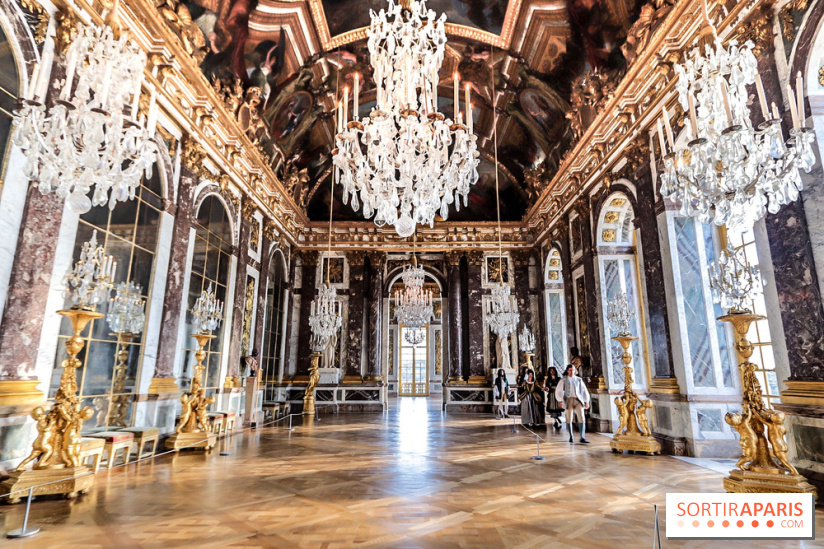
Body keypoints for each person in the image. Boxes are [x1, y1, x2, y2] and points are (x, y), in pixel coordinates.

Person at [555, 364, 591, 443]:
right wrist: (560, 400)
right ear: (567, 371)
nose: (572, 372)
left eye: (573, 370)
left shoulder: (578, 380)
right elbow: (559, 390)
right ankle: (571, 436)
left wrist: (586, 401)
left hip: (578, 399)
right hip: (568, 400)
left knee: (581, 417)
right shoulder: (564, 380)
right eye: (570, 370)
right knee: (569, 418)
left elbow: (584, 390)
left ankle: (582, 437)